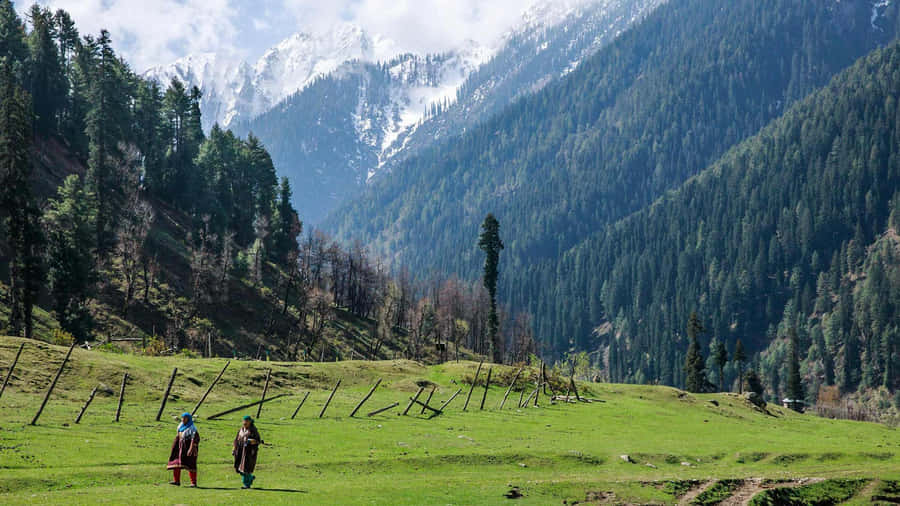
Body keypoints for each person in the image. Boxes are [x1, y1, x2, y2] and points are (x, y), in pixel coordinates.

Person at [167, 412, 199, 487]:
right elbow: (178, 436)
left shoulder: (192, 428)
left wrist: (191, 448)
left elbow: (195, 439)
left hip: (188, 448)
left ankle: (193, 482)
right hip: (179, 447)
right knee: (176, 463)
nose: (183, 419)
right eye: (182, 418)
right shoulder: (180, 426)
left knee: (191, 464)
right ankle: (176, 481)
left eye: (185, 418)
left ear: (189, 419)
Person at [233, 415, 263, 489]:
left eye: (247, 421)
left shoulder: (253, 430)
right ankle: (250, 477)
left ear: (250, 422)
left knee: (246, 468)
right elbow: (236, 440)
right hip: (240, 450)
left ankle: (246, 484)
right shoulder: (241, 430)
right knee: (239, 467)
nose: (245, 422)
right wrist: (234, 448)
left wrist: (251, 441)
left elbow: (258, 441)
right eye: (244, 421)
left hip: (249, 452)